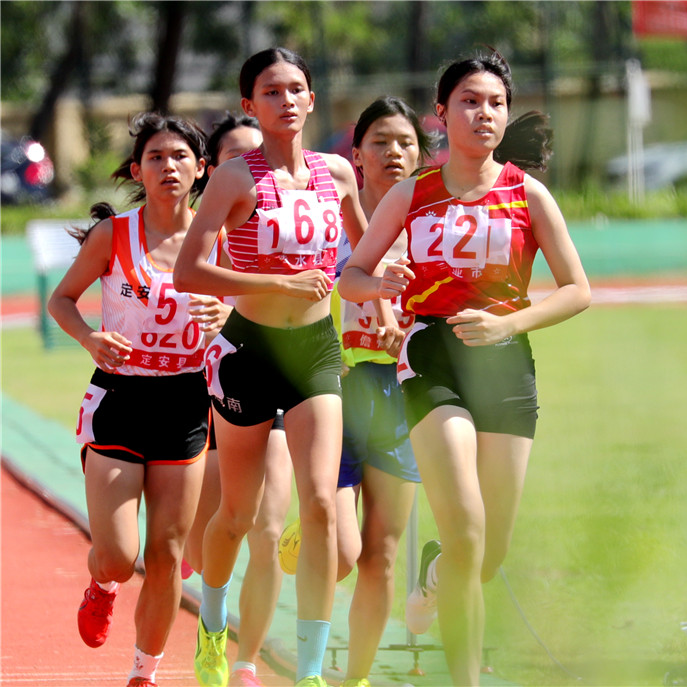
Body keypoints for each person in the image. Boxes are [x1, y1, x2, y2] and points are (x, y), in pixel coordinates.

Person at [338, 52, 591, 686]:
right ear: (441, 116)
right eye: (470, 102)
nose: (484, 113)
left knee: (486, 551)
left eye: (495, 103)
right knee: (469, 530)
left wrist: (509, 323)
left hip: (507, 363)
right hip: (432, 359)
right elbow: (350, 278)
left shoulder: (526, 194)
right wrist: (380, 282)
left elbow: (577, 289)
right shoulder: (411, 193)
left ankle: (435, 572)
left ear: (506, 116)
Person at [174, 47, 367, 687]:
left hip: (315, 353)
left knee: (318, 506)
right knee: (236, 515)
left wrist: (383, 286)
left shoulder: (337, 174)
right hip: (248, 350)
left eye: (297, 89)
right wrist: (278, 285)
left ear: (312, 99)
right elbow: (189, 270)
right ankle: (212, 625)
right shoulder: (234, 178)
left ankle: (311, 670)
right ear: (248, 105)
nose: (286, 100)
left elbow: (360, 261)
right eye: (271, 91)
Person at [47, 112, 226, 687]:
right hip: (120, 399)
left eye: (180, 157)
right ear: (137, 170)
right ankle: (101, 586)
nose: (168, 166)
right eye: (156, 157)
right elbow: (63, 300)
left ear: (201, 169)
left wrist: (227, 312)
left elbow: (251, 312)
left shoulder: (217, 237)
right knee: (120, 558)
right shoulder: (113, 235)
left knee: (169, 556)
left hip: (185, 406)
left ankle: (143, 675)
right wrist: (90, 337)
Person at [182, 111, 294, 687]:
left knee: (269, 529)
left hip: (278, 382)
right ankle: (212, 626)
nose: (253, 165)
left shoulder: (290, 227)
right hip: (207, 395)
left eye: (259, 153)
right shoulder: (195, 235)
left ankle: (246, 659)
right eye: (235, 157)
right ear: (214, 171)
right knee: (213, 538)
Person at [322, 96, 430, 687]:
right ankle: (310, 532)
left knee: (381, 554)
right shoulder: (329, 219)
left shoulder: (431, 225)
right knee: (341, 553)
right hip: (336, 389)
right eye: (380, 142)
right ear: (356, 152)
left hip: (401, 392)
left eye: (406, 143)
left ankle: (355, 677)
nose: (394, 152)